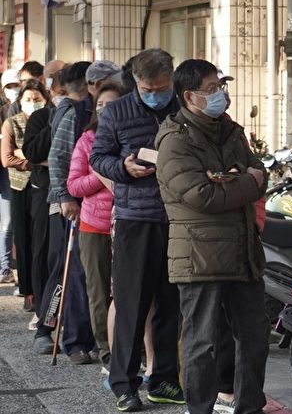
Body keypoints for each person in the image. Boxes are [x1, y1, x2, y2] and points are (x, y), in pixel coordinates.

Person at [155, 58, 270, 414]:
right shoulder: (174, 140)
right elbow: (203, 196)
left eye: (221, 86)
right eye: (212, 89)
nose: (221, 94)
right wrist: (246, 181)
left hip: (242, 248)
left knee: (254, 336)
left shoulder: (231, 130)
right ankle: (199, 409)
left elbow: (259, 170)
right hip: (199, 254)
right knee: (201, 341)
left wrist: (239, 178)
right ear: (190, 96)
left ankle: (249, 406)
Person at [90, 48, 183, 412]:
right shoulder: (116, 111)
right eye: (148, 88)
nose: (156, 94)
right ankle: (124, 385)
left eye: (162, 87)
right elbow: (99, 157)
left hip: (178, 218)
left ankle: (164, 381)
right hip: (135, 218)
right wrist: (124, 168)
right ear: (136, 83)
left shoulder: (183, 107)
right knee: (131, 305)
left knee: (170, 305)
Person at [32, 61, 96, 364]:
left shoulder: (84, 108)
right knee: (67, 268)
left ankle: (71, 332)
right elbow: (59, 157)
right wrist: (65, 196)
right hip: (69, 201)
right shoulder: (73, 110)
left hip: (79, 197)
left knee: (75, 269)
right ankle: (52, 330)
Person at [67, 81, 125, 373]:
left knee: (127, 292)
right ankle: (106, 352)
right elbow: (74, 183)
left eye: (112, 104)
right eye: (100, 105)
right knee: (99, 292)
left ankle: (129, 349)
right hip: (94, 225)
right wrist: (100, 176)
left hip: (128, 223)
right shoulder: (86, 140)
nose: (105, 109)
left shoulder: (131, 137)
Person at [22, 69, 68, 332]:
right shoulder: (42, 117)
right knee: (42, 248)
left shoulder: (82, 115)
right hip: (44, 189)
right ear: (51, 93)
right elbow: (32, 153)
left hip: (72, 190)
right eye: (59, 94)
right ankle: (42, 309)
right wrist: (54, 123)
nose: (63, 99)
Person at [1, 79, 51, 319]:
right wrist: (33, 161)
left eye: (37, 99)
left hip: (43, 186)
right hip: (20, 187)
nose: (33, 103)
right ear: (20, 101)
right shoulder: (12, 123)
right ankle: (28, 290)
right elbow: (7, 158)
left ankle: (42, 289)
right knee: (23, 238)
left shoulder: (49, 120)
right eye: (28, 99)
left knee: (41, 239)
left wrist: (27, 154)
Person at [0, 69, 20, 284]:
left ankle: (5, 267)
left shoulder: (15, 110)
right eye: (9, 86)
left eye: (16, 85)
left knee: (7, 222)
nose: (13, 90)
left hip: (8, 169)